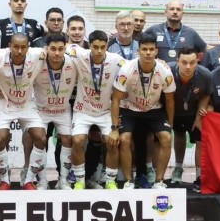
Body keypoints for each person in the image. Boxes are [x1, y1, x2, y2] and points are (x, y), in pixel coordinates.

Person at [109, 33, 176, 190]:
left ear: (156, 51)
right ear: (138, 51)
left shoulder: (165, 72)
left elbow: (170, 100)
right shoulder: (126, 69)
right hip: (129, 108)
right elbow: (116, 99)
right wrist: (114, 128)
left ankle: (159, 181)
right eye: (144, 49)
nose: (148, 53)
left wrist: (171, 124)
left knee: (167, 138)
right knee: (124, 139)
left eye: (151, 49)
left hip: (154, 109)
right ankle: (129, 181)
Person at [67, 31, 125, 190]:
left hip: (105, 111)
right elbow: (65, 47)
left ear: (107, 46)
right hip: (83, 110)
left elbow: (133, 65)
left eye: (103, 47)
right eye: (95, 47)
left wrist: (160, 62)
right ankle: (79, 180)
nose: (99, 51)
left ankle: (111, 181)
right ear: (89, 46)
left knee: (112, 141)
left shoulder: (115, 59)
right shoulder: (80, 54)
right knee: (78, 140)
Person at [0, 33, 45, 189]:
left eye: (23, 47)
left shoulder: (38, 54)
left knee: (41, 137)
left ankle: (28, 179)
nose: (19, 51)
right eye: (16, 47)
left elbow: (56, 50)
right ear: (9, 46)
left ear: (28, 47)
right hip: (5, 103)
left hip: (26, 103)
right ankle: (4, 180)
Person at [32, 34, 77, 189]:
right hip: (41, 110)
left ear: (65, 48)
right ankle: (42, 180)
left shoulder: (73, 62)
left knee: (68, 139)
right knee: (40, 140)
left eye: (60, 49)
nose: (57, 53)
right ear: (46, 48)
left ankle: (63, 180)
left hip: (63, 110)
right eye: (53, 49)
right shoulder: (38, 62)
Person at [169, 47, 211, 190]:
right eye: (184, 62)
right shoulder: (168, 71)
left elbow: (206, 94)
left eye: (192, 63)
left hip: (194, 113)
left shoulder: (205, 75)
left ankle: (199, 176)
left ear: (197, 61)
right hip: (175, 112)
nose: (188, 67)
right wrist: (169, 119)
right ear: (177, 61)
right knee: (179, 136)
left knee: (200, 141)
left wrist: (199, 117)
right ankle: (178, 169)